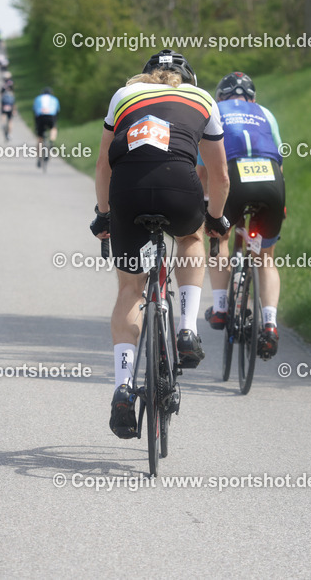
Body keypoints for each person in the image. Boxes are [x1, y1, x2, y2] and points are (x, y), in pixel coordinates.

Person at [90, 49, 230, 439]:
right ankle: (186, 328)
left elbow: (104, 164)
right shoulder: (203, 99)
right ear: (187, 80)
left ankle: (122, 386)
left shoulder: (123, 95)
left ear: (145, 75)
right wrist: (216, 219)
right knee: (190, 235)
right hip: (179, 188)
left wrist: (104, 215)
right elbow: (219, 175)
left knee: (130, 289)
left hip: (127, 192)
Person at [201, 71, 286, 359]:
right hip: (271, 182)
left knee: (219, 236)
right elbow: (279, 161)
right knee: (265, 257)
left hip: (233, 178)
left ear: (220, 96)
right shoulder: (265, 113)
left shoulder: (213, 111)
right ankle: (271, 324)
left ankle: (222, 307)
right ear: (252, 98)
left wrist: (206, 204)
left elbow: (204, 170)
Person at [32, 87, 60, 167]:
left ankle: (39, 158)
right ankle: (51, 141)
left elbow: (34, 112)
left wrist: (36, 125)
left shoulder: (38, 98)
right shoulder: (54, 99)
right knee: (53, 128)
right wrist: (55, 123)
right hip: (51, 116)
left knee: (40, 138)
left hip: (40, 117)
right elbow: (57, 112)